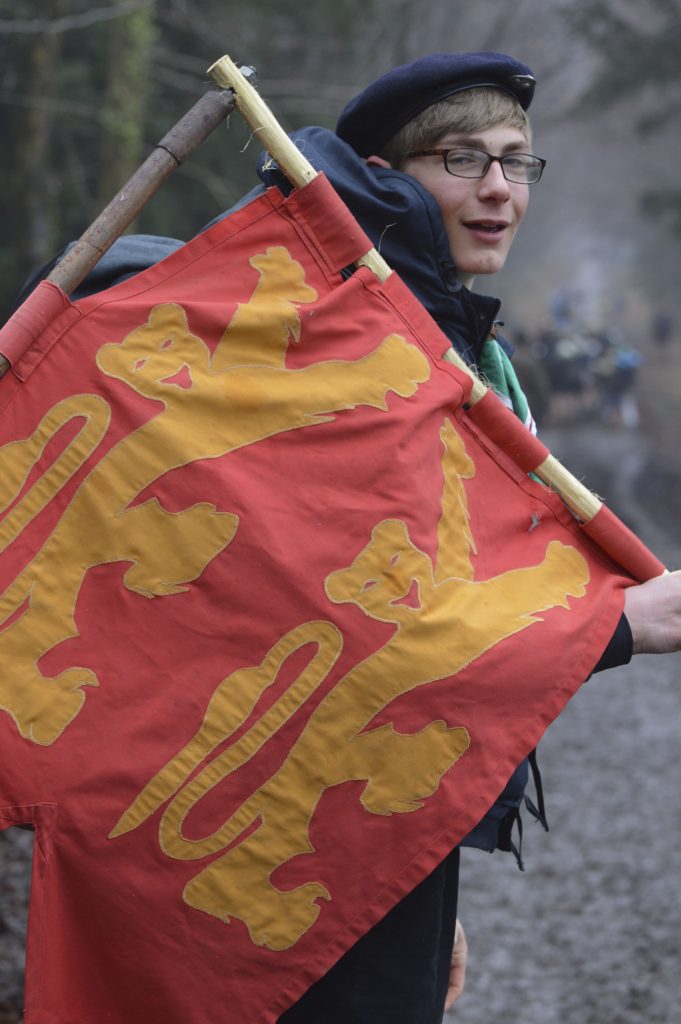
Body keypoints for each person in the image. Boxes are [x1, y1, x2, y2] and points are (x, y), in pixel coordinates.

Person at [10, 50, 681, 1024]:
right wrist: (616, 625)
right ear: (381, 177)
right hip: (243, 850)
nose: (498, 189)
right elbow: (375, 633)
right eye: (461, 160)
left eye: (516, 161)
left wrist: (418, 868)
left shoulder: (462, 352)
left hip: (351, 838)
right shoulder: (345, 353)